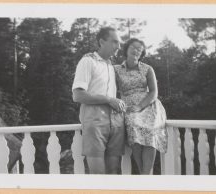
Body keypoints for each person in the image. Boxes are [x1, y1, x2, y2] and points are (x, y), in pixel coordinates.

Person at [72, 27, 126, 174]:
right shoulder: (88, 61)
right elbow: (77, 95)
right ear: (102, 42)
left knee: (114, 171)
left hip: (115, 121)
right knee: (98, 175)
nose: (118, 47)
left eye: (119, 43)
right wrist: (108, 99)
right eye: (114, 42)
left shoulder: (111, 66)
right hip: (94, 120)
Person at [114, 38, 168, 175]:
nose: (136, 50)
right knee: (133, 129)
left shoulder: (147, 69)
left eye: (139, 48)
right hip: (128, 107)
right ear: (126, 49)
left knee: (150, 132)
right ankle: (144, 173)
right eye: (133, 46)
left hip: (149, 105)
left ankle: (146, 174)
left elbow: (154, 92)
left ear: (142, 53)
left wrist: (140, 106)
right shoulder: (116, 69)